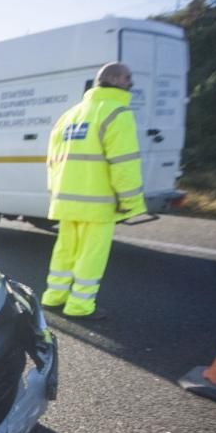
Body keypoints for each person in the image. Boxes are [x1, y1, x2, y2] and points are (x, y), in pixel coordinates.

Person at [41, 62, 146, 321]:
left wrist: (56, 193)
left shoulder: (69, 115)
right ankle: (79, 306)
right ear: (116, 79)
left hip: (67, 201)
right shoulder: (117, 113)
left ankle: (54, 296)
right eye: (128, 78)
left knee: (65, 251)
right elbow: (124, 163)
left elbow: (52, 161)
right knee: (91, 255)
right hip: (98, 203)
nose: (131, 83)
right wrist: (130, 201)